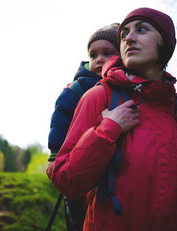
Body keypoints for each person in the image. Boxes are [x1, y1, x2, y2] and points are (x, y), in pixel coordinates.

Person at [51, 7, 177, 231]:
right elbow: (67, 181)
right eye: (124, 34)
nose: (129, 38)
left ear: (166, 44)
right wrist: (106, 131)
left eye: (141, 29)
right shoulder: (100, 96)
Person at [46, 23, 120, 230]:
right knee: (78, 213)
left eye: (107, 53)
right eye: (93, 55)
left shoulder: (125, 87)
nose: (99, 60)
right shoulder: (76, 89)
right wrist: (54, 154)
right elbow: (59, 123)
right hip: (77, 160)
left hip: (109, 164)